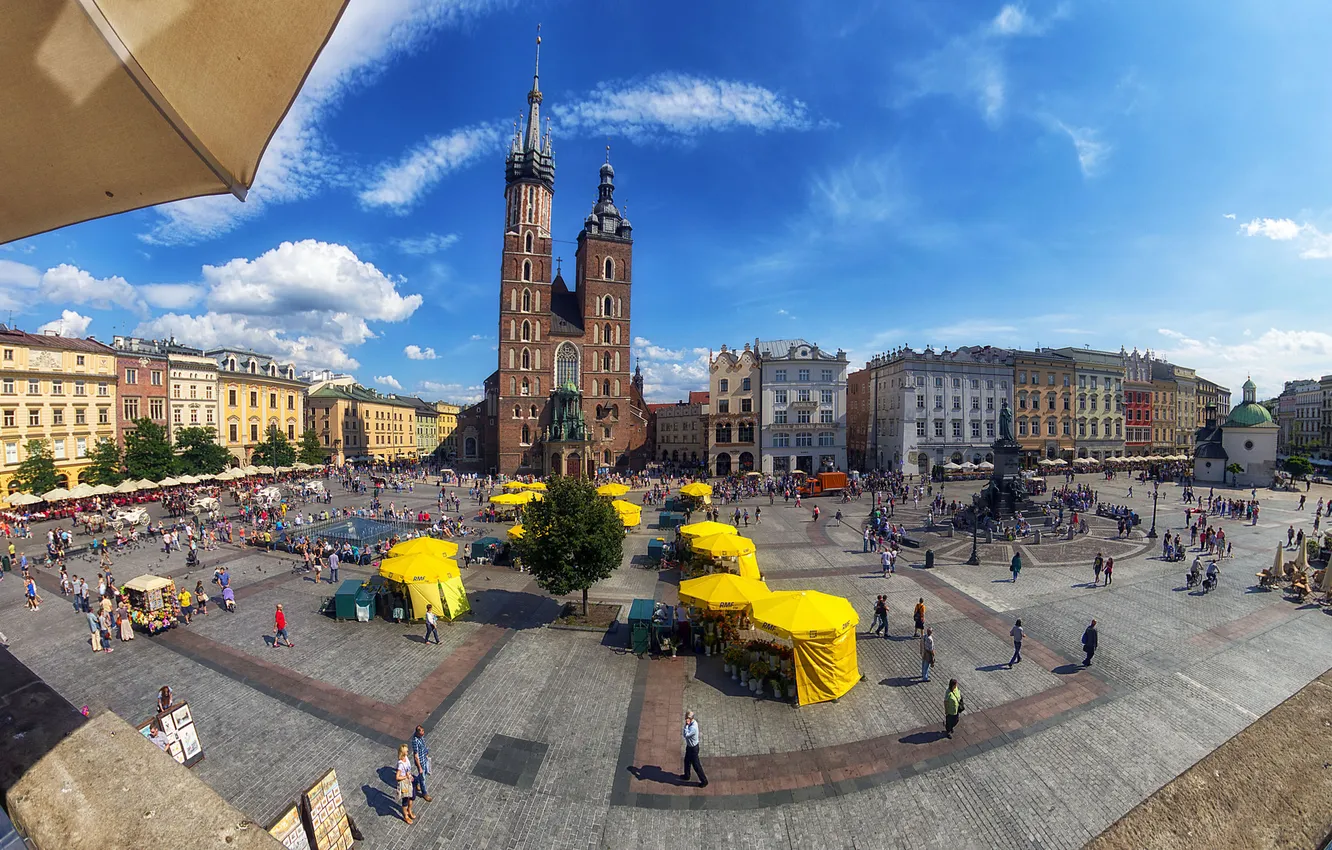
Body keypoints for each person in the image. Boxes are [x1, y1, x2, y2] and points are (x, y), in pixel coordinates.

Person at [681, 710, 708, 787]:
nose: (685, 718)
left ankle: (704, 781)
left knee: (696, 766)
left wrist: (686, 725)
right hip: (690, 747)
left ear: (690, 718)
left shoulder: (693, 727)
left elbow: (686, 735)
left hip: (693, 749)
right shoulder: (692, 723)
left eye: (686, 717)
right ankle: (687, 776)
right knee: (687, 761)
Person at [410, 725, 432, 802]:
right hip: (420, 761)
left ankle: (416, 781)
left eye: (423, 732)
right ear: (417, 733)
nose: (423, 734)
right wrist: (419, 767)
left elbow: (423, 746)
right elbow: (416, 756)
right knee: (423, 779)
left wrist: (426, 753)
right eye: (421, 733)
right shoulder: (415, 741)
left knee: (425, 772)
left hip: (424, 758)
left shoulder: (421, 737)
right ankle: (424, 793)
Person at [396, 743, 416, 824]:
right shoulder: (400, 765)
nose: (408, 752)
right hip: (404, 783)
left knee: (412, 796)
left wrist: (409, 775)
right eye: (407, 751)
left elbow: (408, 769)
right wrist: (405, 777)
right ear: (403, 752)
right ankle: (406, 816)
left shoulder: (406, 758)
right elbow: (397, 777)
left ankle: (409, 810)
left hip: (410, 780)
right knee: (405, 800)